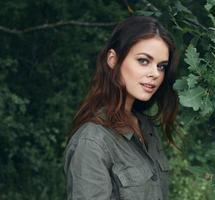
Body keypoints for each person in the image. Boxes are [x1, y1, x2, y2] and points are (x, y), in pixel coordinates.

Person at [64, 15, 179, 200]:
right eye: (143, 61)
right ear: (113, 59)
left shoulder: (145, 127)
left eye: (161, 66)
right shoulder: (92, 142)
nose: (155, 74)